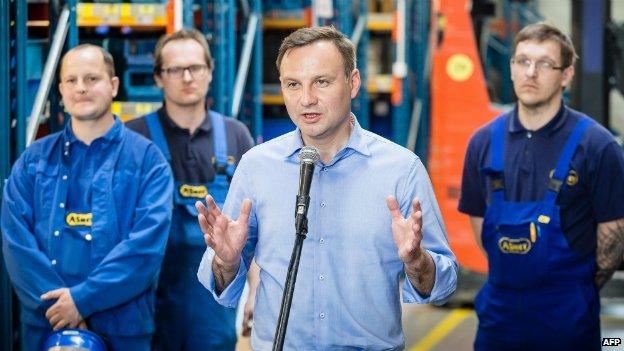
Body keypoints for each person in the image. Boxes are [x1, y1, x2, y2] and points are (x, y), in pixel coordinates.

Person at [196, 26, 458, 350]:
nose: (306, 99)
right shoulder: (256, 167)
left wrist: (417, 261)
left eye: (321, 81)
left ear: (353, 83)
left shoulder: (401, 170)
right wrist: (226, 261)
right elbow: (220, 282)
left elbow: (442, 283)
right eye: (293, 84)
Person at [459, 22, 624, 351]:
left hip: (568, 324)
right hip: (498, 323)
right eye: (522, 61)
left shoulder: (598, 146)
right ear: (511, 68)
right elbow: (481, 231)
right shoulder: (481, 143)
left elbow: (614, 237)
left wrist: (571, 291)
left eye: (545, 63)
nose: (531, 72)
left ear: (566, 75)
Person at [1, 44, 173, 350]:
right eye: (71, 80)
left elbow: (145, 249)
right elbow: (16, 242)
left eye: (92, 78)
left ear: (113, 85)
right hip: (45, 324)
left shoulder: (148, 160)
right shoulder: (33, 160)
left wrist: (81, 301)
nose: (81, 88)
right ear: (62, 90)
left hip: (123, 328)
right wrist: (60, 309)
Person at [125, 28, 256, 350]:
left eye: (195, 67)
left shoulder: (236, 135)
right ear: (158, 77)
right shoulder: (133, 138)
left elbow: (255, 227)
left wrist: (256, 290)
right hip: (147, 301)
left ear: (209, 72)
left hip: (212, 305)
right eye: (174, 69)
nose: (187, 77)